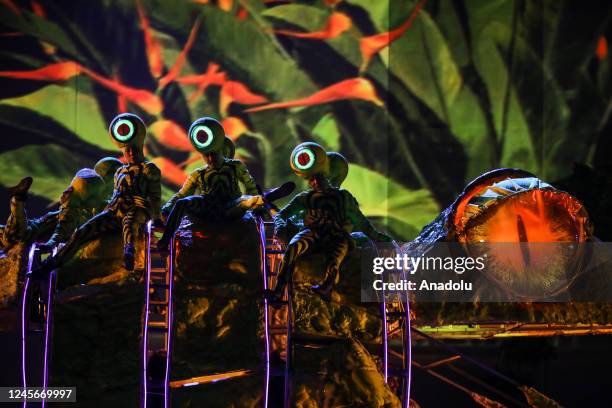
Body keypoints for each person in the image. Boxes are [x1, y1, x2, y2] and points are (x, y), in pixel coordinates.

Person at [31, 113, 162, 274]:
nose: (130, 153)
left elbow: (155, 196)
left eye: (133, 149)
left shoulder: (149, 169)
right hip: (114, 210)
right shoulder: (119, 171)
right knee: (82, 232)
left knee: (129, 222)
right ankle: (52, 264)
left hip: (136, 208)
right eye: (127, 150)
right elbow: (115, 195)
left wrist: (156, 219)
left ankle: (129, 252)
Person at [266, 142, 392, 302]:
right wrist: (282, 227)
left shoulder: (343, 197)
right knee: (292, 247)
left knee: (339, 250)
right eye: (313, 179)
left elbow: (361, 222)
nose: (317, 182)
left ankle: (327, 285)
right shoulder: (305, 198)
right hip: (313, 234)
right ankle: (278, 289)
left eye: (321, 177)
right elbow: (282, 215)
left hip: (336, 235)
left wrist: (377, 237)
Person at [157, 117, 265, 250]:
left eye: (213, 154)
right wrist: (167, 208)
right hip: (208, 205)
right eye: (206, 155)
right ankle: (165, 239)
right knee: (182, 202)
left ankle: (265, 199)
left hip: (232, 204)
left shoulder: (235, 166)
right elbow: (181, 194)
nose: (210, 158)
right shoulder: (198, 173)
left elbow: (250, 185)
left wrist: (259, 208)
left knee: (246, 201)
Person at [0, 157, 122, 250]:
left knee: (20, 236)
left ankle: (17, 202)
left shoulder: (112, 196)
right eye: (113, 175)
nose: (115, 180)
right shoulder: (91, 183)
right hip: (68, 224)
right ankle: (17, 202)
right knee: (15, 238)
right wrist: (52, 243)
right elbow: (68, 214)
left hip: (75, 229)